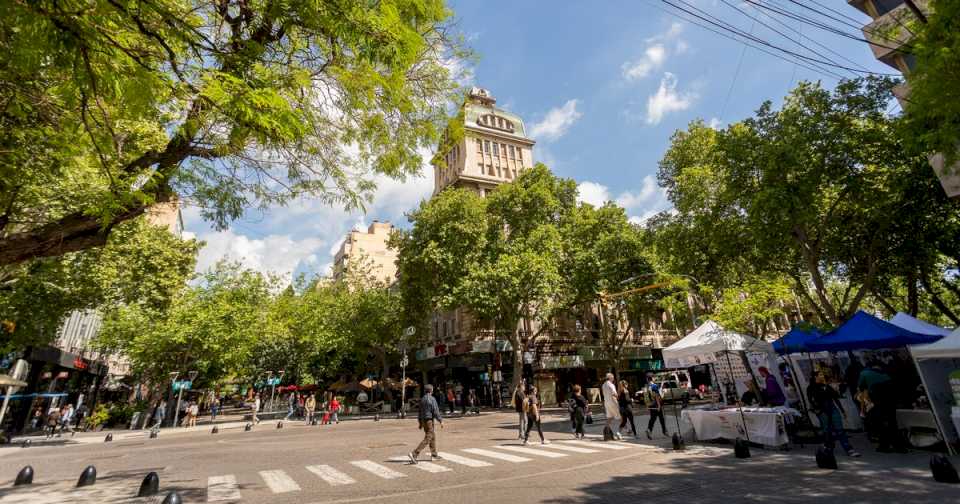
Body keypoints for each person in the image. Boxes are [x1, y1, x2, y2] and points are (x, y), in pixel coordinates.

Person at [807, 370, 861, 457]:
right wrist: (818, 411)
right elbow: (812, 400)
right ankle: (828, 448)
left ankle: (849, 449)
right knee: (827, 431)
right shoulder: (811, 388)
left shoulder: (827, 386)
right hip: (822, 411)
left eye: (822, 375)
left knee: (840, 430)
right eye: (820, 375)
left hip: (833, 409)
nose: (822, 376)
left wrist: (842, 411)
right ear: (815, 377)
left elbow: (835, 399)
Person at [858, 361, 904, 453]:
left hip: (877, 400)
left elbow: (861, 387)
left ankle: (884, 445)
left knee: (881, 423)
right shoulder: (886, 372)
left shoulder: (864, 373)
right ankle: (898, 446)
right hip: (890, 401)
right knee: (892, 423)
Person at [408, 384, 443, 464]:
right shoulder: (432, 399)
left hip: (424, 421)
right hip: (429, 420)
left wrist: (420, 423)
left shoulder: (422, 399)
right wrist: (440, 420)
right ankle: (414, 454)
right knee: (428, 438)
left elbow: (419, 412)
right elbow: (435, 411)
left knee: (432, 436)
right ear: (431, 390)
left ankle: (434, 455)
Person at [602, 373, 622, 440]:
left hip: (607, 403)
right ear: (610, 378)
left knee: (609, 417)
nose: (613, 379)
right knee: (620, 416)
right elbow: (614, 394)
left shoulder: (603, 385)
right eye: (612, 378)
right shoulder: (611, 385)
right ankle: (627, 430)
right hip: (613, 402)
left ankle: (606, 430)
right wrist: (618, 397)